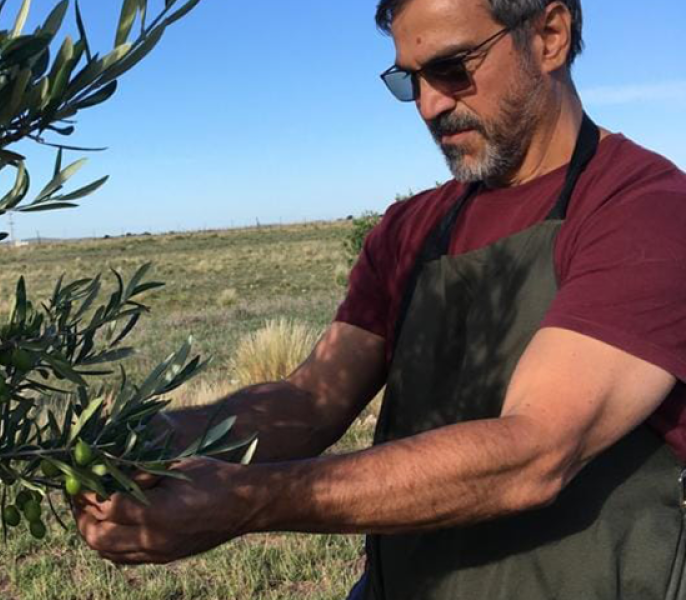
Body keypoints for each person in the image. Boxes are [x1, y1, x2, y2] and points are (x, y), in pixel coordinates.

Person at [74, 1, 686, 598]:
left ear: (549, 35)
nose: (430, 105)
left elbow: (538, 450)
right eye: (409, 80)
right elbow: (310, 401)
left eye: (453, 68)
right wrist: (151, 438)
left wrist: (248, 500)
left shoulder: (645, 210)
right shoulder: (411, 228)